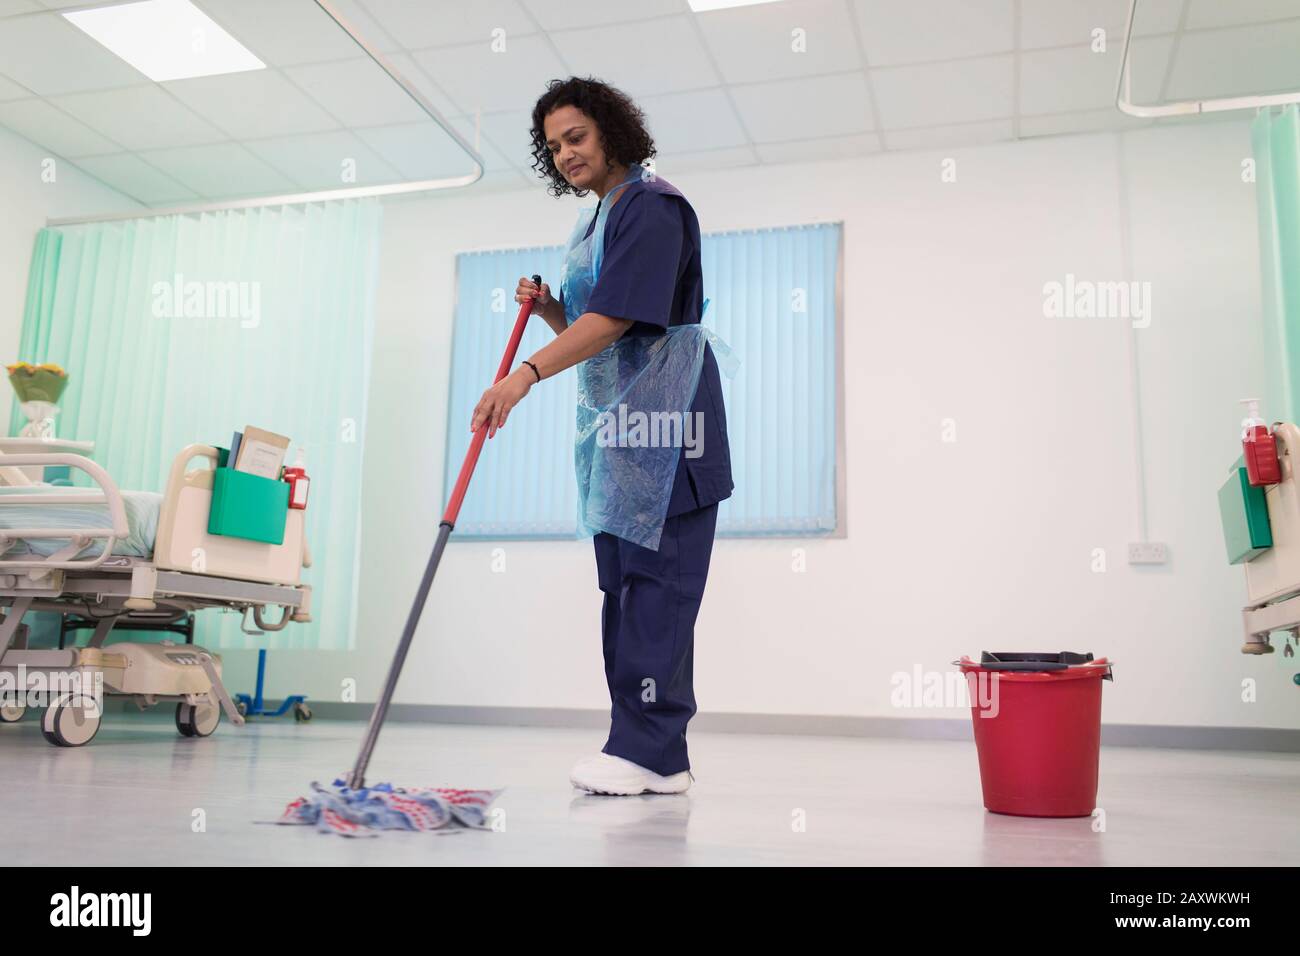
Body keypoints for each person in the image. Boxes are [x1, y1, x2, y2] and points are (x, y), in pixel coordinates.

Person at [470, 76, 733, 796]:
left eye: (576, 136)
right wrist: (556, 312)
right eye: (553, 146)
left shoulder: (651, 206)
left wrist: (524, 374)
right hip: (623, 433)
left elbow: (618, 320)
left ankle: (650, 751)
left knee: (658, 588)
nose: (565, 154)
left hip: (671, 426)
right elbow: (606, 329)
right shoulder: (597, 220)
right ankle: (650, 752)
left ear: (613, 130)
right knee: (623, 587)